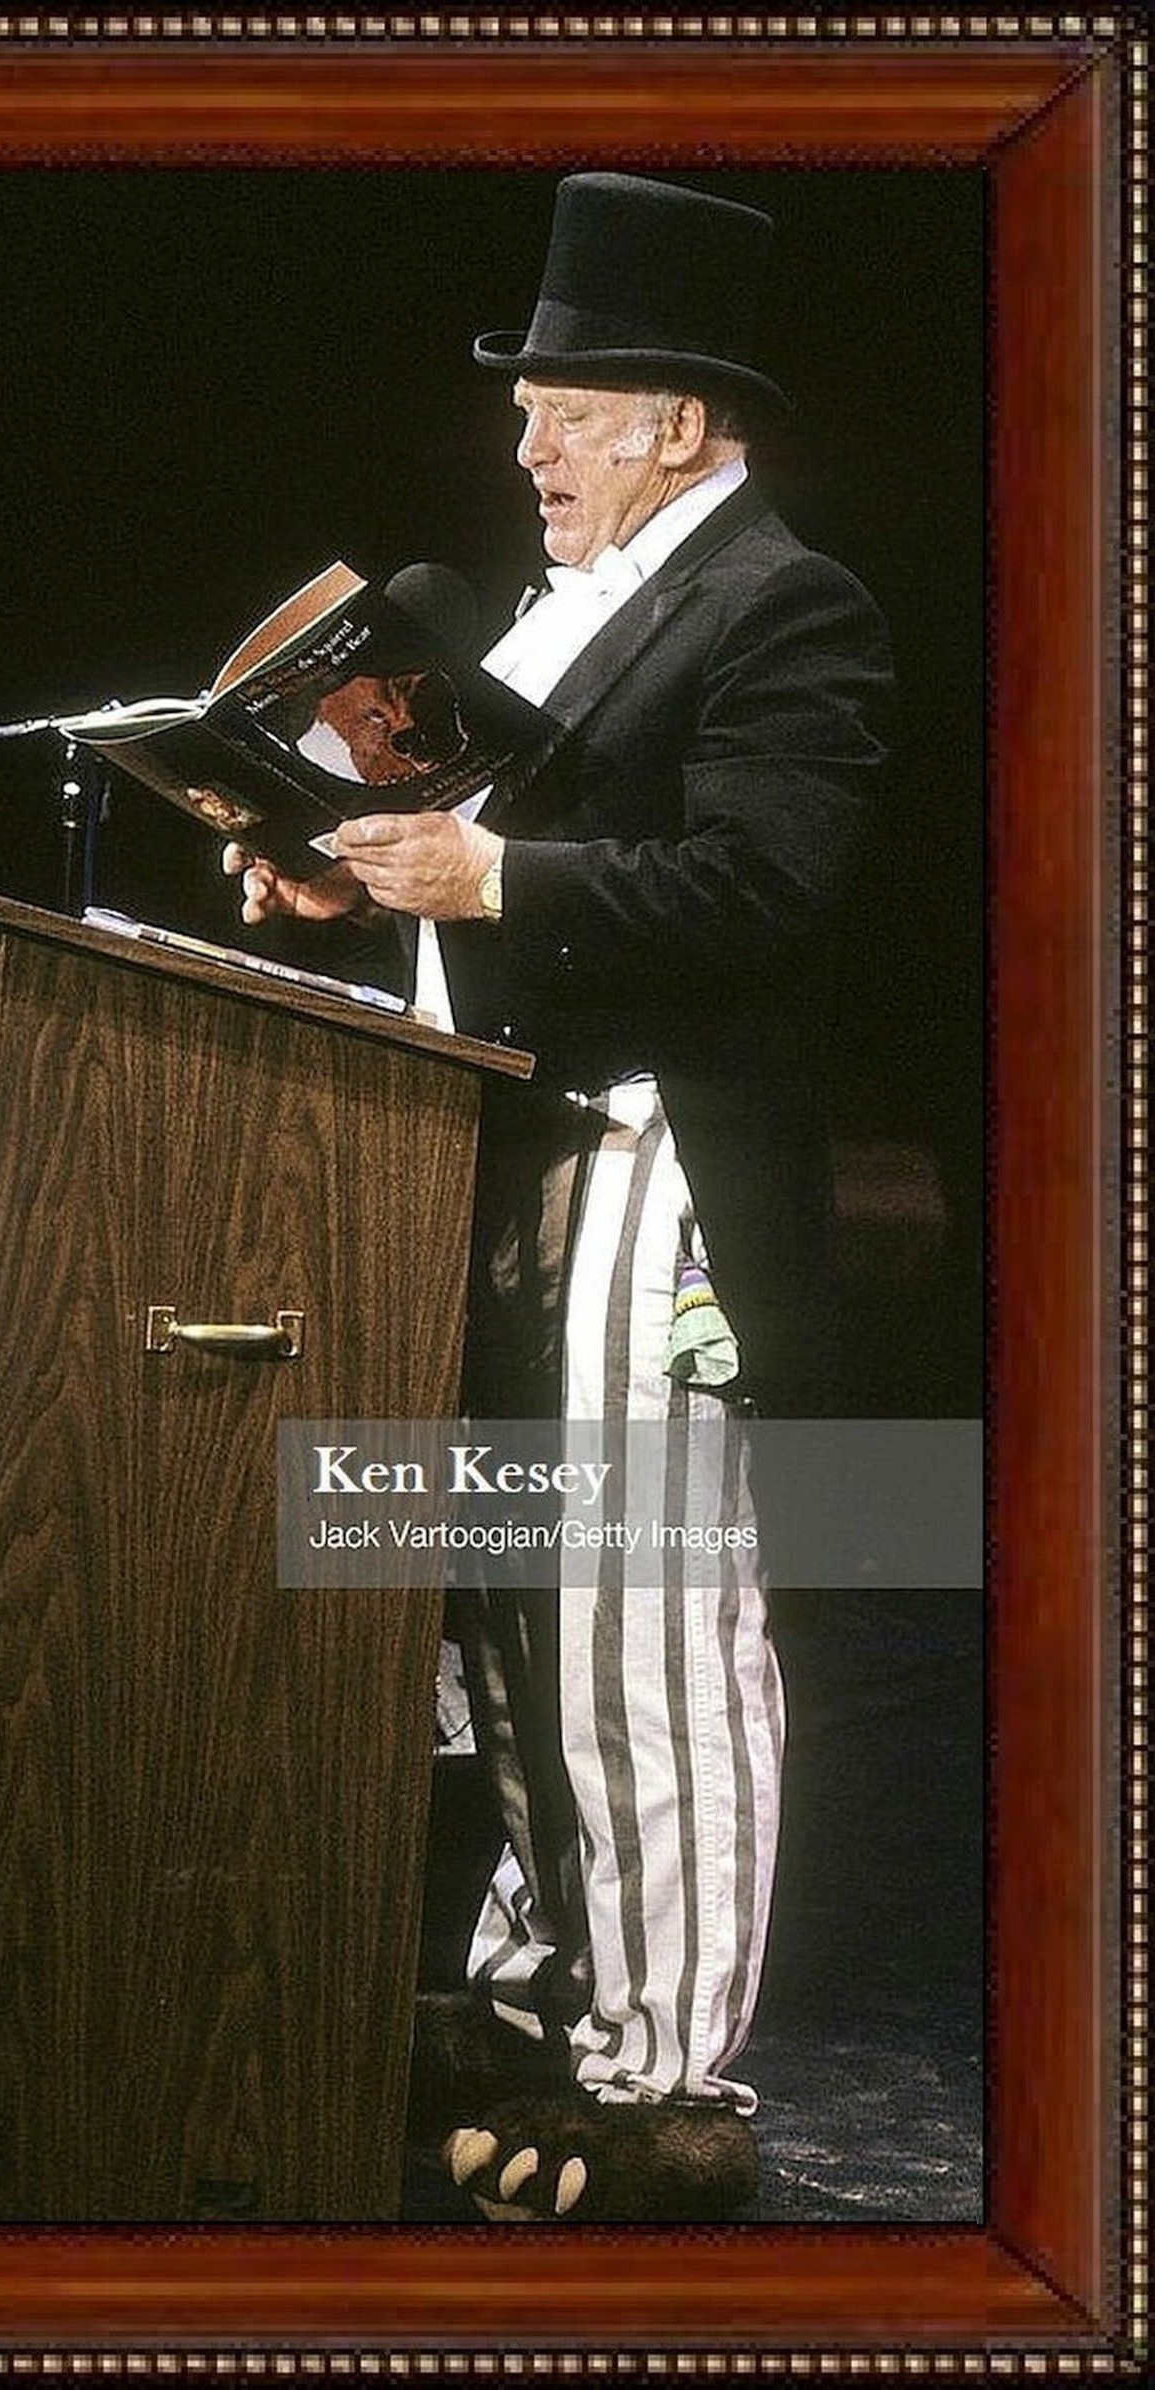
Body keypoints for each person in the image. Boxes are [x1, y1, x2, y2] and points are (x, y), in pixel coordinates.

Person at [225, 172, 893, 2223]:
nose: (529, 448)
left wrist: (494, 874)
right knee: (516, 1624)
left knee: (645, 1628)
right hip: (496, 1158)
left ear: (680, 423)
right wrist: (359, 883)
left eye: (569, 412)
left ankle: (667, 2071)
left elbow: (769, 887)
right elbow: (500, 879)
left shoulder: (784, 604)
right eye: (528, 411)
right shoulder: (554, 610)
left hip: (647, 1173)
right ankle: (546, 2007)